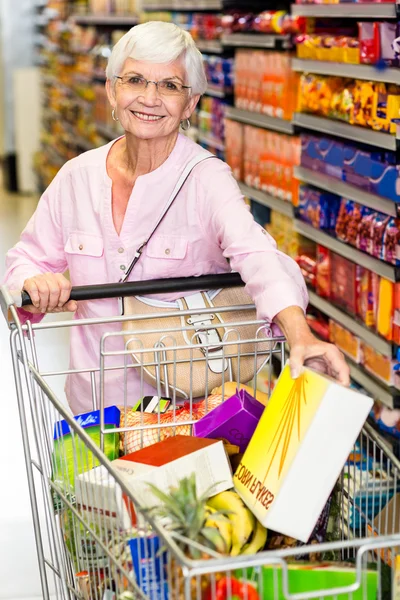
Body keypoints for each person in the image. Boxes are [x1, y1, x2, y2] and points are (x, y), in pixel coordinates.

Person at [3, 22, 349, 415]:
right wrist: (34, 282)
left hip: (184, 419)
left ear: (190, 104)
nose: (150, 98)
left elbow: (256, 254)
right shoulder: (76, 176)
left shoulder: (205, 178)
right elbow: (24, 261)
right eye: (135, 80)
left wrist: (300, 336)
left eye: (169, 86)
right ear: (112, 91)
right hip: (93, 412)